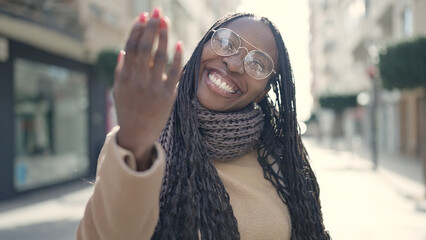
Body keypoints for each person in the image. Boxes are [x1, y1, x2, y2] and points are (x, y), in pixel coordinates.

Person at [77, 7, 331, 240]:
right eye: (225, 42)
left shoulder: (279, 160)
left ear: (262, 92)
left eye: (257, 63)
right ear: (203, 45)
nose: (233, 63)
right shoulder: (133, 146)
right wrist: (136, 147)